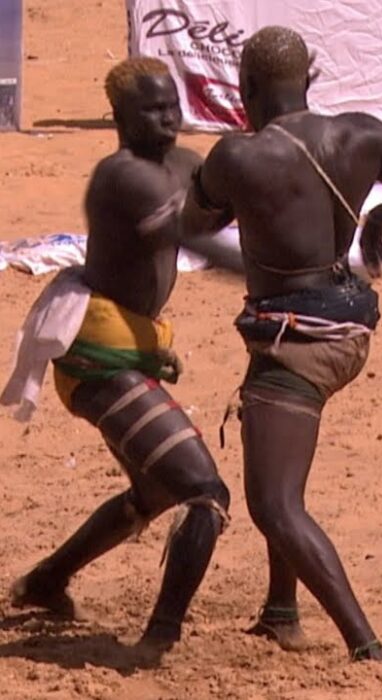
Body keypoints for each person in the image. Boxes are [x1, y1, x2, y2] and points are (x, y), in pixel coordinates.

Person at [180, 26, 382, 663]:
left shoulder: (237, 157)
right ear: (311, 78)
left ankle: (367, 646)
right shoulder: (363, 135)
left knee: (274, 504)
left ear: (245, 89)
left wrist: (237, 212)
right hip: (351, 325)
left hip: (295, 338)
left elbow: (194, 223)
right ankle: (281, 611)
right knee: (271, 450)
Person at [2, 57, 231, 653]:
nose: (168, 120)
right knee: (203, 492)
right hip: (98, 357)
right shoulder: (123, 176)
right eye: (152, 111)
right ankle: (158, 638)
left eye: (173, 108)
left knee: (155, 490)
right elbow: (201, 234)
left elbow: (227, 208)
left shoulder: (184, 164)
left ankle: (48, 579)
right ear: (119, 117)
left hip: (130, 348)